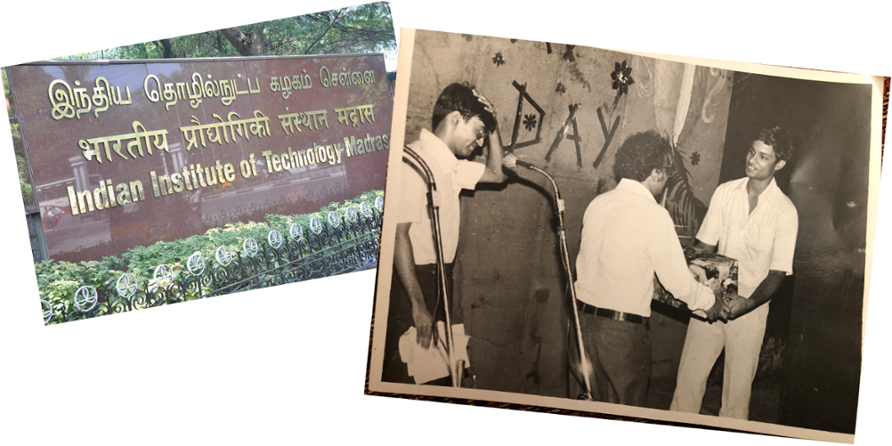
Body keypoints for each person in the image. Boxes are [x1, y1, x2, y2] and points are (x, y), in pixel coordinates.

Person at [572, 131, 725, 406]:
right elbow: (678, 283)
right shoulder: (653, 213)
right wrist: (710, 302)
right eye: (667, 172)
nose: (667, 180)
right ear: (655, 173)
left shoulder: (598, 204)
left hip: (580, 324)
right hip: (620, 336)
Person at [381, 82, 514, 384]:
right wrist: (417, 304)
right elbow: (397, 235)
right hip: (413, 283)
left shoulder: (451, 166)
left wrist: (491, 127)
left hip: (440, 280)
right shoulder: (412, 162)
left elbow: (498, 173)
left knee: (439, 375)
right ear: (455, 118)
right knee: (410, 377)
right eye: (478, 131)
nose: (480, 143)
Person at [670, 126, 798, 420]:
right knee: (687, 384)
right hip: (710, 301)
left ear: (779, 164)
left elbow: (777, 273)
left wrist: (747, 303)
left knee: (736, 399)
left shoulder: (785, 211)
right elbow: (703, 246)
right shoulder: (725, 192)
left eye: (763, 156)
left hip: (750, 312)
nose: (752, 159)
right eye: (751, 151)